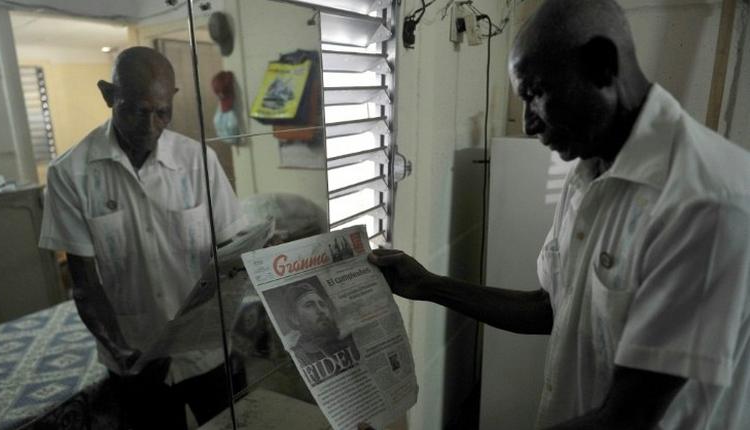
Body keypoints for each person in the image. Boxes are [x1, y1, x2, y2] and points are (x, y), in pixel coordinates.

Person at [369, 0, 750, 428]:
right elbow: (551, 308)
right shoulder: (589, 167)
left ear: (602, 66)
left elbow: (629, 419)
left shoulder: (708, 203)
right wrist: (428, 285)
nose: (529, 124)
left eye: (536, 94)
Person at [39, 47, 246, 429]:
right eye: (135, 109)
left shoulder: (198, 161)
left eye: (162, 112)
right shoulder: (71, 173)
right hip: (135, 359)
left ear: (172, 101)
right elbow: (84, 284)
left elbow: (230, 251)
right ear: (107, 95)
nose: (150, 126)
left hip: (208, 352)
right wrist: (121, 351)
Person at [285, 282, 360, 385]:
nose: (321, 311)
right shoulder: (299, 358)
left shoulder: (349, 339)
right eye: (309, 305)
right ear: (295, 318)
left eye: (322, 304)